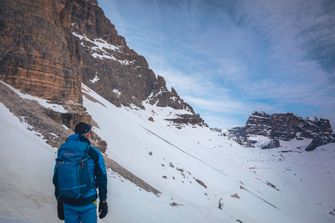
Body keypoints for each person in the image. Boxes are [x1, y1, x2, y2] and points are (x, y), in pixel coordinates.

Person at [53, 122, 108, 223]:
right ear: (87, 134)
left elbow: (57, 177)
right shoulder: (93, 152)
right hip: (88, 202)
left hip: (68, 202)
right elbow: (102, 177)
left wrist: (59, 201)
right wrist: (103, 201)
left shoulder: (64, 150)